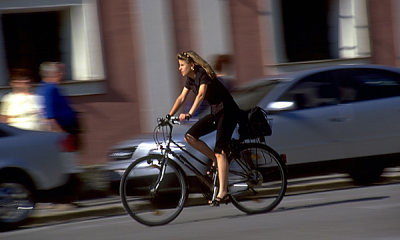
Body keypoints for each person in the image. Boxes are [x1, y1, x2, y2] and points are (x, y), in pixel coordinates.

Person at [167, 50, 240, 206]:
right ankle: (214, 159)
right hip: (216, 111)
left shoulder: (202, 75)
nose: (179, 68)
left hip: (227, 111)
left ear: (192, 65)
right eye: (178, 65)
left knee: (220, 151)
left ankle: (224, 192)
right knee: (190, 137)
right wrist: (168, 116)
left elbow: (200, 95)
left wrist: (190, 113)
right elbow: (181, 97)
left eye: (181, 65)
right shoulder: (190, 79)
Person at [36, 62, 80, 147]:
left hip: (65, 128)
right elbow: (49, 115)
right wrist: (61, 134)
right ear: (51, 74)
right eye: (59, 72)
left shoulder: (44, 88)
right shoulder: (50, 89)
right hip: (63, 129)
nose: (61, 75)